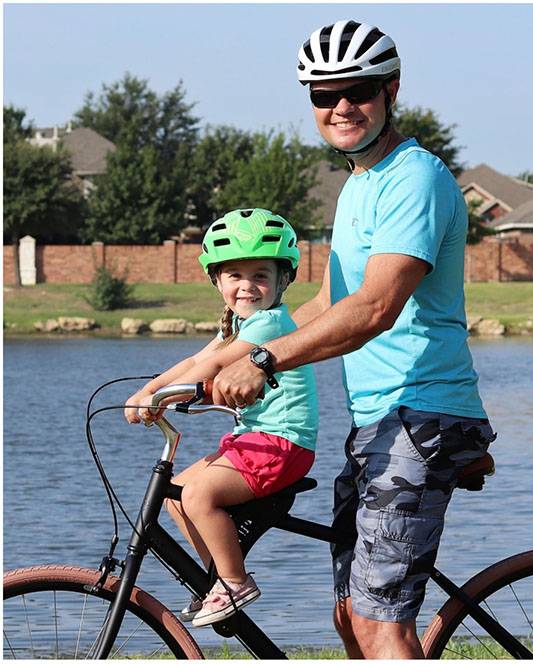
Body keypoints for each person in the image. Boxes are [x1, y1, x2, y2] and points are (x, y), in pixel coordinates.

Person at [211, 19, 493, 659]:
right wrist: (209, 366)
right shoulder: (359, 184)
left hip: (422, 415)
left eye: (357, 90)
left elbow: (374, 309)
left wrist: (262, 359)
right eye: (323, 93)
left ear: (391, 90)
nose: (340, 106)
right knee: (347, 616)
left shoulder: (413, 178)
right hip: (378, 423)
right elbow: (324, 306)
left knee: (380, 625)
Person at [124, 208, 318, 627]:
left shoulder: (269, 324)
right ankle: (217, 581)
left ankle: (235, 581)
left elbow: (213, 369)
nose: (247, 285)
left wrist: (160, 397)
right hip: (256, 441)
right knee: (178, 493)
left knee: (198, 497)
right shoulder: (238, 325)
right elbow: (198, 359)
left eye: (261, 275)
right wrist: (147, 391)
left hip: (282, 444)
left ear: (284, 280)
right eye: (234, 275)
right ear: (218, 281)